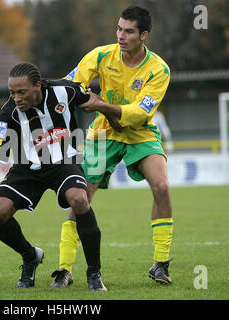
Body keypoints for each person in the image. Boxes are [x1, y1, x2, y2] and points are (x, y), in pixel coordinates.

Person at [51, 5, 174, 287]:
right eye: (119, 29)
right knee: (79, 197)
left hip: (140, 135)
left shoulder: (159, 69)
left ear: (143, 35)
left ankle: (161, 264)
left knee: (162, 187)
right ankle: (64, 268)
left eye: (128, 31)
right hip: (102, 136)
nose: (121, 35)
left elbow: (141, 112)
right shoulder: (102, 54)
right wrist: (50, 90)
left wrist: (102, 105)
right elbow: (71, 84)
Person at [0, 62, 107, 291]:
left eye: (21, 92)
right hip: (26, 169)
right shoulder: (7, 115)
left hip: (65, 162)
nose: (16, 98)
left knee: (80, 200)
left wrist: (113, 120)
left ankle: (94, 273)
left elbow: (93, 100)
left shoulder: (65, 90)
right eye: (12, 92)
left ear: (37, 85)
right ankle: (30, 256)